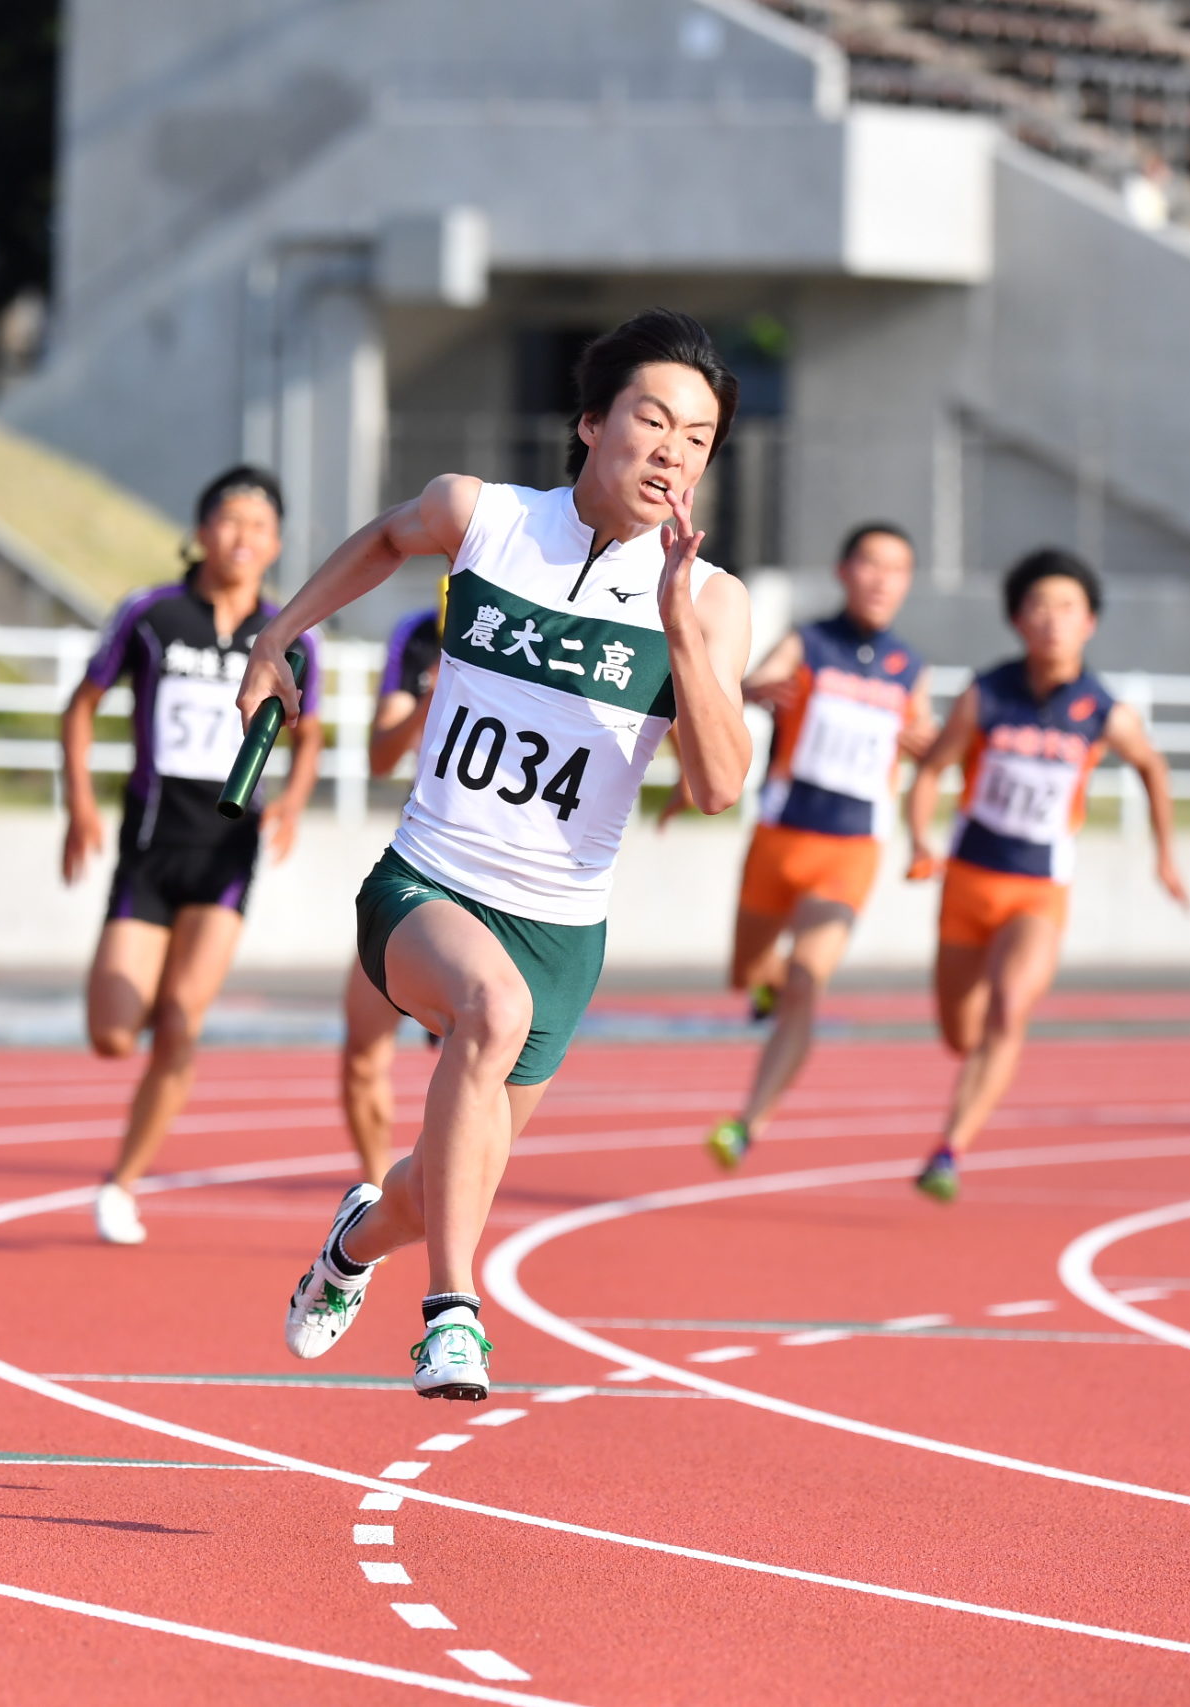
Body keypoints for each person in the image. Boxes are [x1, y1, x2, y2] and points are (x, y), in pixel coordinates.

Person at [261, 308, 754, 1401]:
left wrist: (673, 622)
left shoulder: (714, 605)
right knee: (489, 1013)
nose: (672, 451)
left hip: (561, 932)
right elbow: (388, 540)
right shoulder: (484, 519)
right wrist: (277, 632)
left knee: (440, 1181)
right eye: (651, 419)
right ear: (589, 423)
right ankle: (452, 1314)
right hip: (428, 884)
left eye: (698, 439)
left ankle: (351, 1247)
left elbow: (718, 787)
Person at [61, 465, 323, 1245]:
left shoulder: (289, 637)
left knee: (181, 1018)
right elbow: (82, 706)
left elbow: (308, 735)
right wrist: (78, 801)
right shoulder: (152, 616)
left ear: (276, 544)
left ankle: (123, 1183)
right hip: (147, 851)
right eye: (230, 521)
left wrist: (295, 799)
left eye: (260, 526)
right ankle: (142, 1030)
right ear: (202, 532)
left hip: (225, 856)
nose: (244, 537)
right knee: (113, 1033)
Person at [902, 548, 1189, 1202]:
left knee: (1009, 1008)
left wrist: (1164, 854)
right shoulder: (987, 694)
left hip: (1039, 891)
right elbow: (932, 769)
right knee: (960, 1032)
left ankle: (950, 1148)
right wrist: (921, 837)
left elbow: (1152, 766)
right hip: (968, 883)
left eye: (1067, 608)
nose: (1052, 620)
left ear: (1089, 622)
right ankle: (967, 1092)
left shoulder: (1103, 711)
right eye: (1039, 606)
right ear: (1016, 619)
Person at [699, 522, 934, 1169]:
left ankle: (748, 1123)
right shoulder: (808, 643)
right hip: (780, 837)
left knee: (806, 978)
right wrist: (752, 691)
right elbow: (747, 685)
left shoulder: (909, 667)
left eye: (898, 569)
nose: (884, 579)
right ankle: (765, 984)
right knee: (749, 971)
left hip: (852, 847)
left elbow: (931, 747)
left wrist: (924, 826)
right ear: (844, 570)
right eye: (872, 564)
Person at [336, 600, 444, 1185]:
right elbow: (380, 757)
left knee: (479, 1064)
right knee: (360, 1049)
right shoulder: (421, 632)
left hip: (508, 883)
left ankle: (450, 1194)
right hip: (421, 864)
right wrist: (431, 700)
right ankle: (378, 1195)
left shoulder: (562, 624)